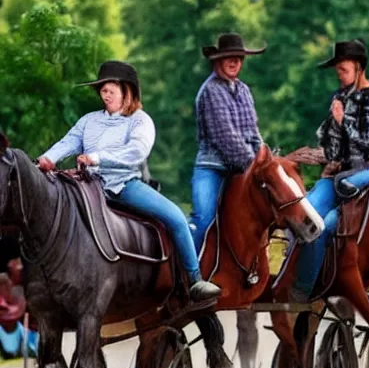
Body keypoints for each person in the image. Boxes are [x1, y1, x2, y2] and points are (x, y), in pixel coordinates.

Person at [37, 61, 220, 301]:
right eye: (103, 91)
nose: (105, 95)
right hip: (87, 187)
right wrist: (48, 158)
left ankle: (195, 279)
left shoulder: (140, 120)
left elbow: (136, 151)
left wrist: (96, 157)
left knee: (176, 217)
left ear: (127, 91)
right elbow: (68, 142)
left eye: (111, 90)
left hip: (124, 186)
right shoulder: (88, 121)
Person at [292, 38, 369, 301]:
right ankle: (292, 280)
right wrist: (321, 154)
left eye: (343, 69)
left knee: (326, 226)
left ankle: (304, 290)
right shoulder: (339, 97)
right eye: (337, 70)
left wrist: (342, 119)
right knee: (303, 217)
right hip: (341, 171)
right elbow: (334, 143)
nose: (339, 74)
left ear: (359, 68)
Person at [189, 33, 266, 254]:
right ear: (218, 60)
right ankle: (186, 275)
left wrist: (263, 155)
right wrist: (254, 165)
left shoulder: (243, 90)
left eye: (240, 58)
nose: (235, 62)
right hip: (213, 167)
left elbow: (252, 131)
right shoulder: (211, 90)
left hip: (243, 167)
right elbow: (226, 137)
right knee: (203, 220)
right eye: (230, 57)